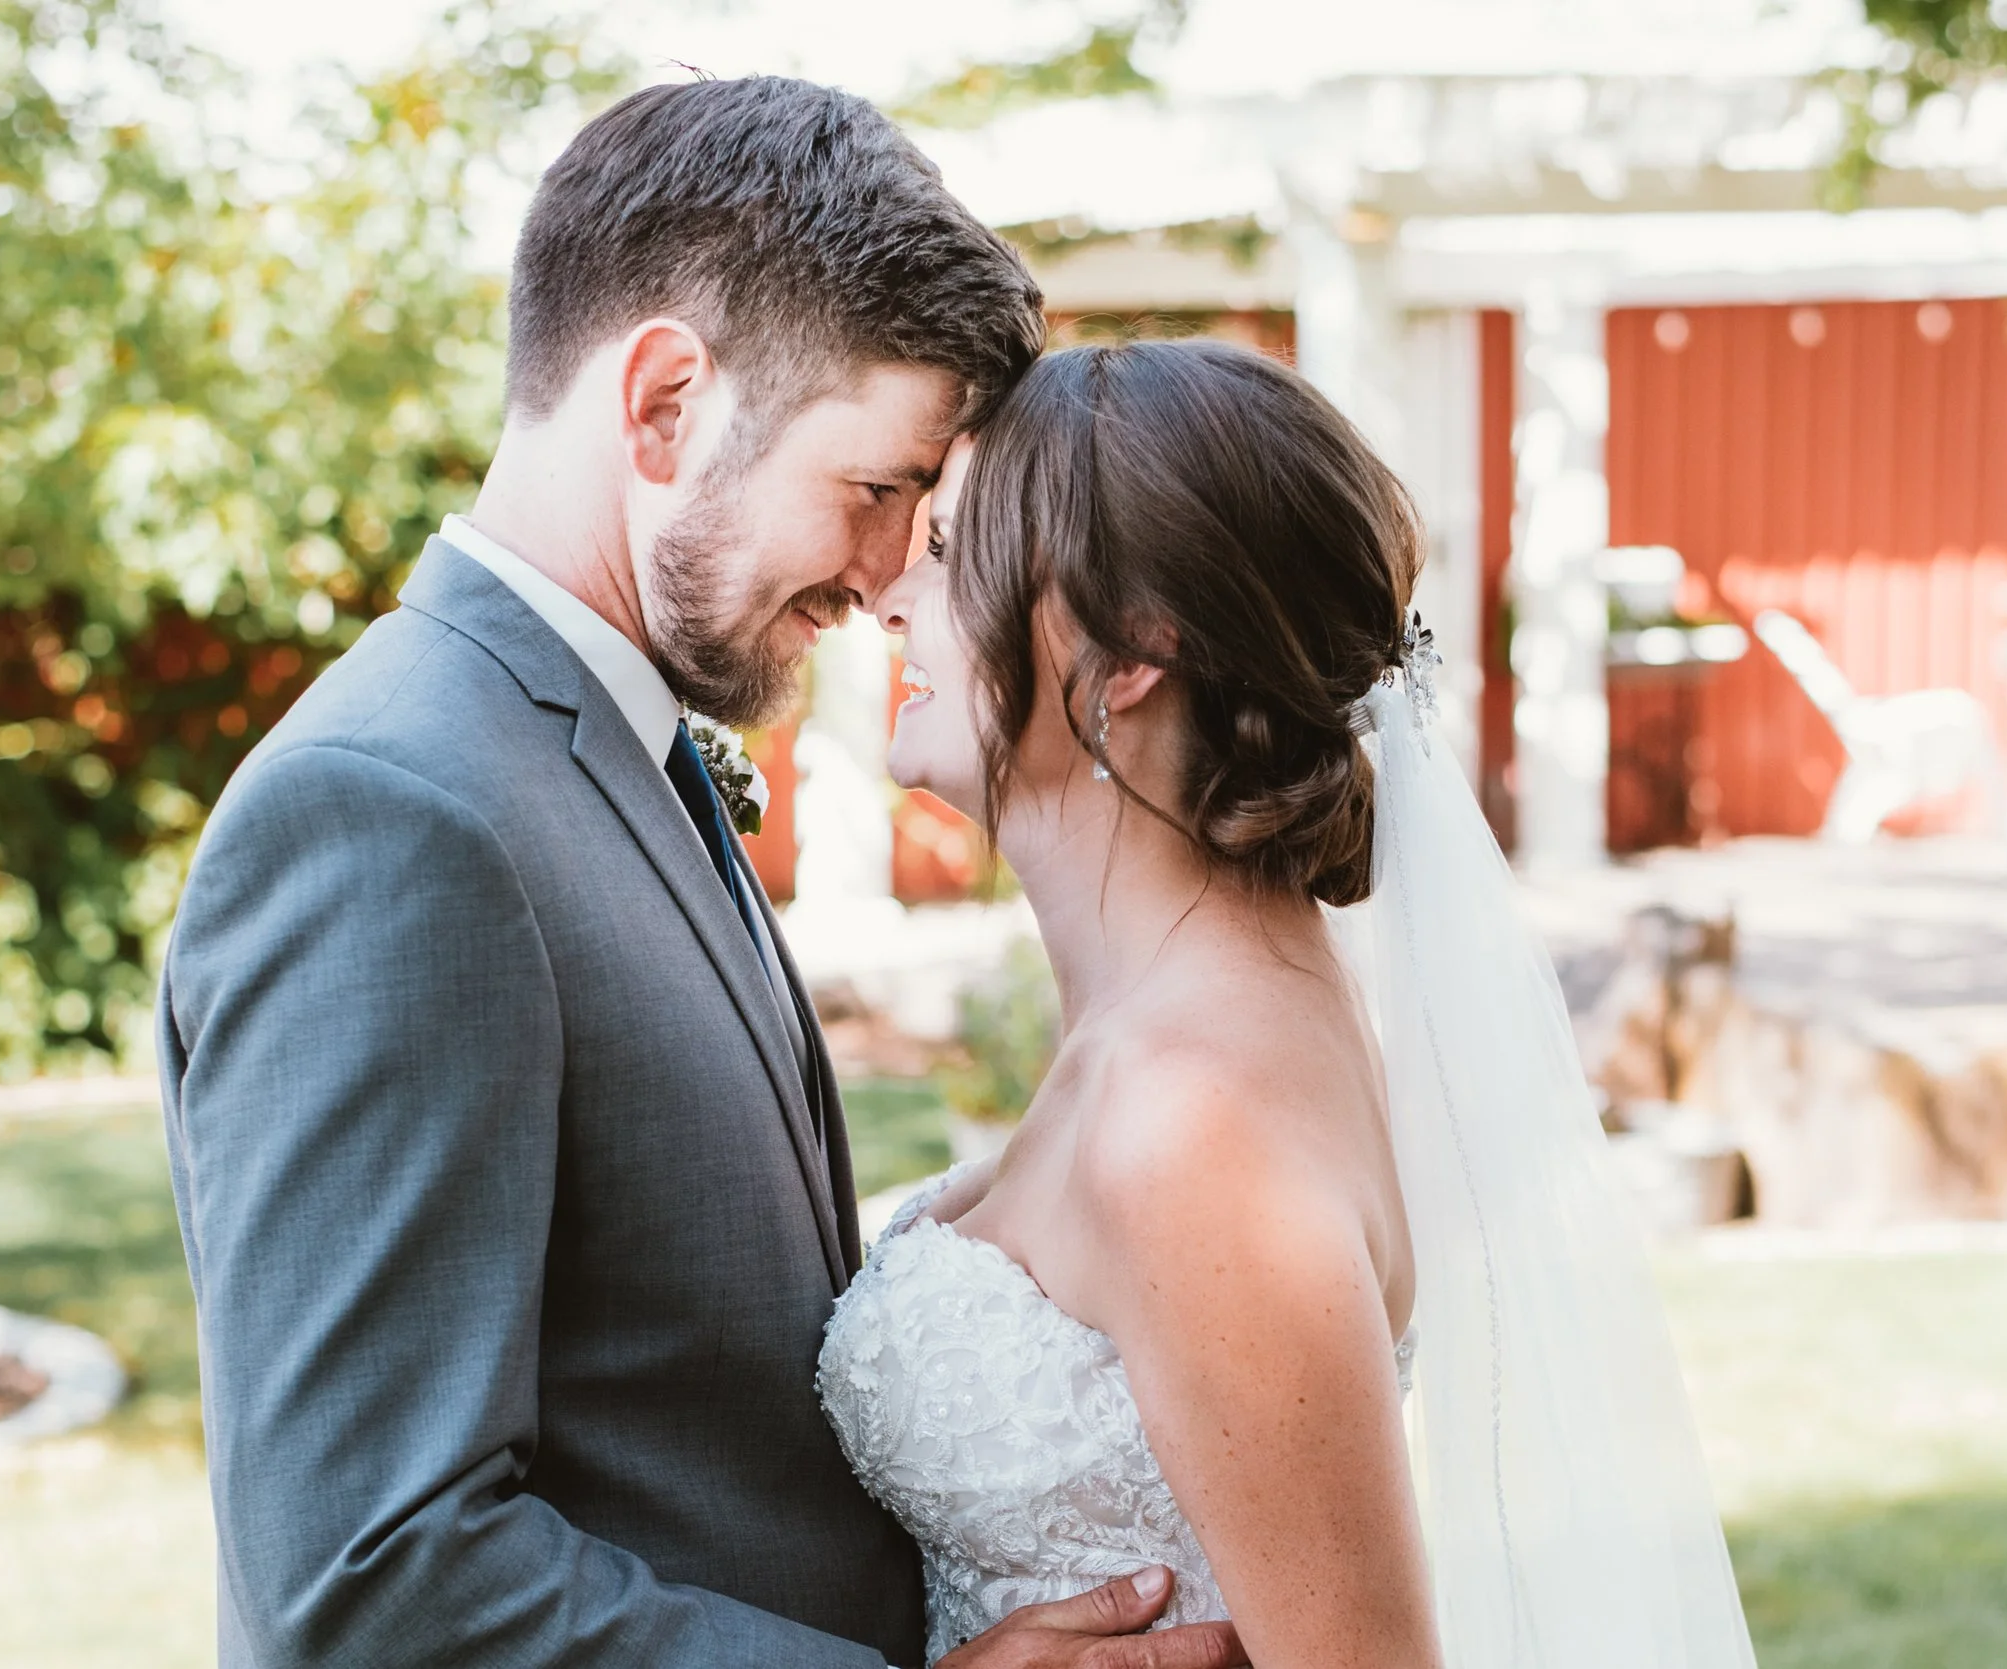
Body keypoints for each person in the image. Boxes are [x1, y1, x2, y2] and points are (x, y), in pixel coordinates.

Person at [157, 78, 1246, 1669]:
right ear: (663, 402)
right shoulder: (390, 815)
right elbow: (372, 1578)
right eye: (876, 491)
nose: (888, 578)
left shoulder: (606, 750)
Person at [822, 340, 1760, 1668]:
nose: (892, 597)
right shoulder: (1182, 1023)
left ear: (1132, 647)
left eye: (952, 549)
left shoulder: (1196, 1120)